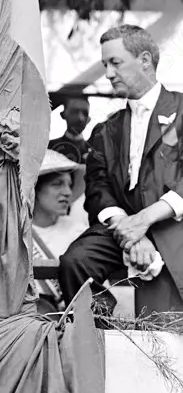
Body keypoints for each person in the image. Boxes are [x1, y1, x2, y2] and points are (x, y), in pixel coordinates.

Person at [59, 25, 183, 316]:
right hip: (122, 226)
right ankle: (99, 328)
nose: (108, 73)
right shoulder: (104, 129)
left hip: (173, 224)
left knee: (165, 325)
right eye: (105, 65)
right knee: (75, 262)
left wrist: (147, 219)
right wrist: (132, 232)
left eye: (115, 63)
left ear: (144, 60)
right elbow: (97, 189)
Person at [32, 151, 87, 315]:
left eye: (69, 185)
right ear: (34, 189)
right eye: (57, 184)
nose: (68, 192)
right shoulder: (13, 234)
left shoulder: (80, 233)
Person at [49, 96, 91, 164]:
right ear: (63, 115)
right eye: (74, 112)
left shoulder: (94, 151)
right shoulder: (50, 148)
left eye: (85, 113)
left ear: (88, 119)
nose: (80, 118)